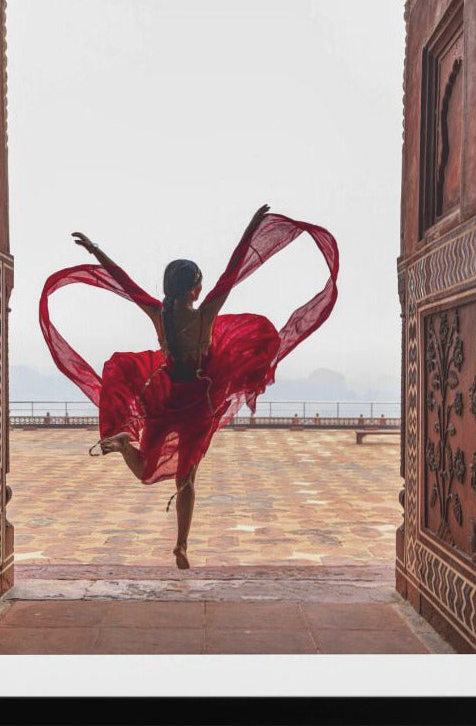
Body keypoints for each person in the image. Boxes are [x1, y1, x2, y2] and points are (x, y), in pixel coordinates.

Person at [39, 206, 339, 570]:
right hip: (197, 402)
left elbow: (123, 282)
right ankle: (180, 544)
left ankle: (128, 457)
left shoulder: (159, 314)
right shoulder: (205, 314)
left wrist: (95, 249)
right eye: (200, 283)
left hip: (165, 397)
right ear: (195, 289)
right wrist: (252, 227)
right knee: (185, 478)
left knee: (148, 470)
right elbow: (233, 272)